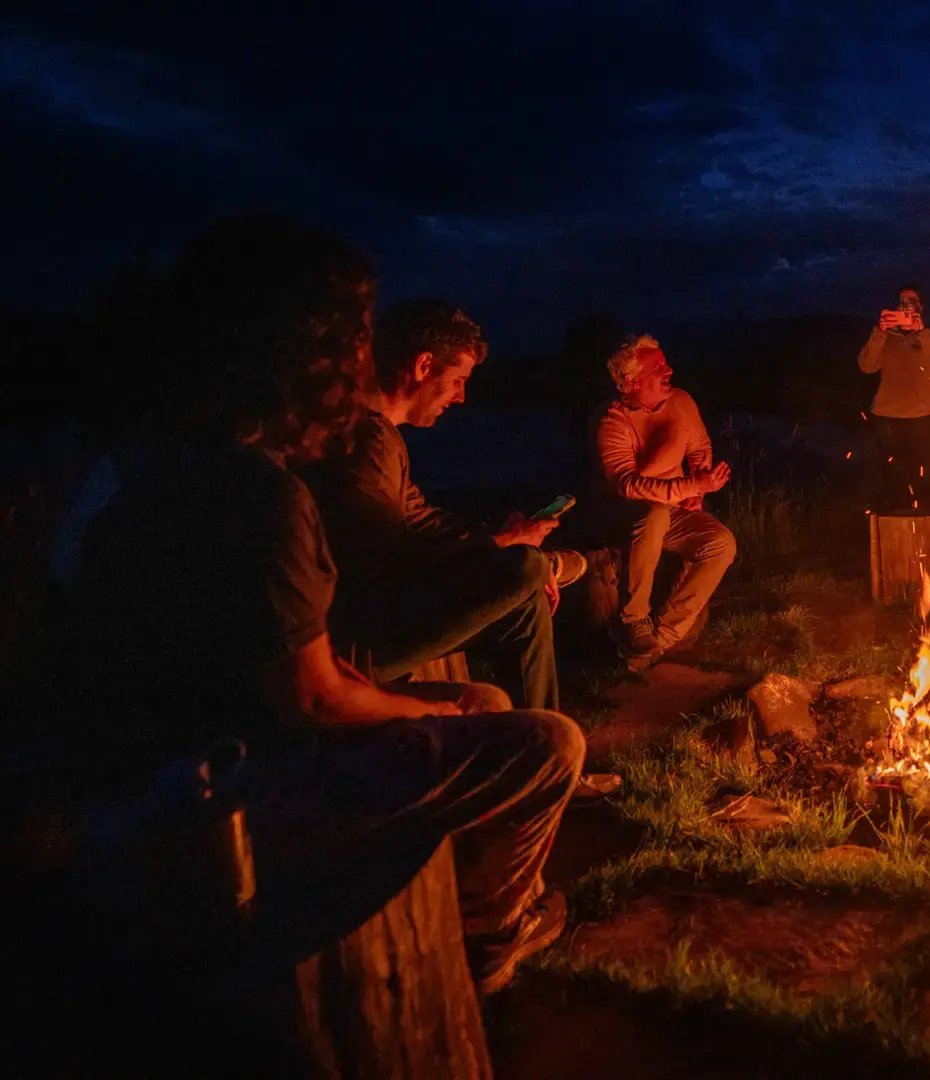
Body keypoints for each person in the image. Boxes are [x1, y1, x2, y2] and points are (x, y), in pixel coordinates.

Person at [61, 215, 584, 996]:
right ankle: (489, 939)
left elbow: (280, 662)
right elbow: (315, 701)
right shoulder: (259, 494)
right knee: (547, 741)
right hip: (186, 813)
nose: (356, 368)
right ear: (303, 355)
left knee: (481, 696)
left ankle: (467, 905)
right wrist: (431, 715)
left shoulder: (155, 459)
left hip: (175, 755)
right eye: (348, 343)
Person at [304, 299, 585, 711]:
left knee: (525, 602)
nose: (460, 397)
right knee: (526, 569)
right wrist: (503, 552)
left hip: (377, 616)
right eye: (457, 380)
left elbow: (419, 519)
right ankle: (550, 566)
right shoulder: (361, 442)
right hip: (352, 643)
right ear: (423, 367)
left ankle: (539, 736)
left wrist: (499, 536)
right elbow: (385, 556)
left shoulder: (382, 437)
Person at [591, 334, 736, 672]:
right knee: (654, 514)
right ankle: (635, 618)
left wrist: (697, 492)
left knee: (720, 543)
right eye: (657, 367)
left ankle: (663, 638)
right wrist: (688, 486)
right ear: (631, 380)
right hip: (622, 515)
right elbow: (627, 485)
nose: (668, 369)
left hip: (673, 507)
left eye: (665, 362)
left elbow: (699, 449)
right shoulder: (611, 420)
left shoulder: (681, 402)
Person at [857, 285, 930, 511]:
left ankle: (927, 529)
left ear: (920, 307)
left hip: (924, 416)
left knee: (925, 479)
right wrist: (880, 332)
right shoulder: (885, 335)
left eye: (912, 302)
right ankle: (890, 533)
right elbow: (866, 366)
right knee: (890, 480)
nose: (906, 306)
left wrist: (923, 332)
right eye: (902, 301)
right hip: (888, 417)